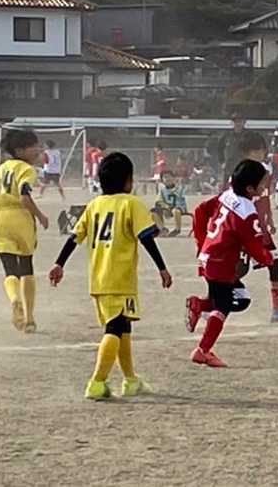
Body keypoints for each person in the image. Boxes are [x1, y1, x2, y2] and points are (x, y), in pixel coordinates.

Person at [48, 152, 172, 400]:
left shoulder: (95, 204)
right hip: (121, 278)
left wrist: (59, 263)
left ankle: (130, 380)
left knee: (122, 326)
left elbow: (75, 237)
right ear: (129, 180)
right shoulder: (131, 203)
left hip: (98, 278)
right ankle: (97, 382)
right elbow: (146, 237)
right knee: (115, 328)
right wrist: (162, 267)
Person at [184, 159, 274, 367]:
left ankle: (198, 305)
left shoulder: (226, 195)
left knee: (240, 299)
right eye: (262, 183)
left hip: (209, 258)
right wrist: (266, 258)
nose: (264, 187)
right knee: (223, 306)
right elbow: (252, 245)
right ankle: (202, 350)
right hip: (220, 263)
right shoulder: (247, 210)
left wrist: (202, 242)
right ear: (250, 188)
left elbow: (199, 211)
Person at [0, 130, 49, 333]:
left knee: (9, 268)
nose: (37, 150)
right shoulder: (26, 170)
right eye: (33, 146)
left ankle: (14, 300)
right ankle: (29, 319)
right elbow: (25, 198)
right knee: (26, 266)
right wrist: (40, 216)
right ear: (20, 150)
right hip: (20, 217)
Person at [238, 132, 278, 323]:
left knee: (275, 263)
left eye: (262, 150)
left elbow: (264, 198)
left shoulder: (266, 171)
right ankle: (210, 302)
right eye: (257, 151)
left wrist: (269, 218)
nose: (261, 154)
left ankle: (277, 311)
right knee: (239, 269)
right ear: (247, 153)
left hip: (260, 228)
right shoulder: (241, 173)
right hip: (246, 228)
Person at [151, 170, 187, 237]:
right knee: (153, 212)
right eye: (165, 177)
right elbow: (159, 201)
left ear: (174, 178)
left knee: (176, 211)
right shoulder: (162, 191)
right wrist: (165, 208)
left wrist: (171, 208)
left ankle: (177, 229)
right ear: (162, 180)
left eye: (170, 177)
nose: (168, 179)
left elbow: (181, 201)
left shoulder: (179, 189)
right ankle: (162, 228)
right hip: (166, 208)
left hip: (178, 208)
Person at [217, 113, 247, 183]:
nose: (237, 124)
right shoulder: (226, 136)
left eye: (239, 121)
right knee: (226, 189)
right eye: (235, 122)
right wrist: (222, 162)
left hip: (244, 166)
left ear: (244, 122)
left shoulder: (249, 135)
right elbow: (220, 149)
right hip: (229, 167)